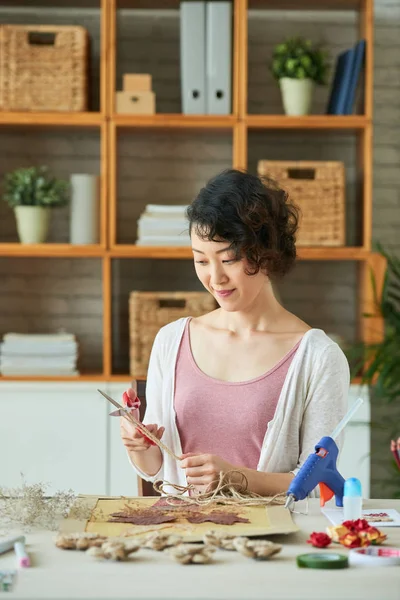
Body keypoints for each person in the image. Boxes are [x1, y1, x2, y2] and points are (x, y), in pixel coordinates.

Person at [120, 168, 350, 497]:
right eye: (201, 261)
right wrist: (138, 446)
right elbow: (158, 470)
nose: (215, 278)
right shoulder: (171, 341)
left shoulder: (318, 358)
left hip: (269, 544)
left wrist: (237, 478)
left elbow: (318, 485)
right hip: (183, 540)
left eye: (228, 259)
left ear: (267, 255)